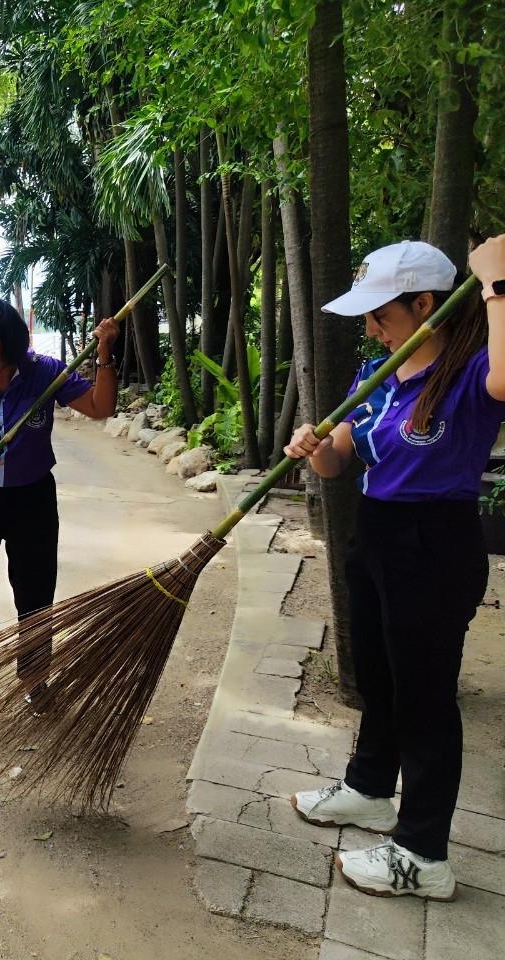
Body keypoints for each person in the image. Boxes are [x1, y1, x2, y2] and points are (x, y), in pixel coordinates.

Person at [285, 237, 505, 901]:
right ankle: (371, 788)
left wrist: (495, 281)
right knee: (379, 678)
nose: (372, 329)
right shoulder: (376, 378)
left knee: (425, 699)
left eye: (383, 316)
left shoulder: (470, 375)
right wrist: (314, 449)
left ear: (425, 305)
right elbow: (339, 460)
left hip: (434, 544)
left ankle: (423, 853)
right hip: (376, 532)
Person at [0, 297, 119, 733]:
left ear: (11, 344)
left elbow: (100, 408)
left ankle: (35, 679)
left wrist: (105, 351)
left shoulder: (45, 374)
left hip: (33, 500)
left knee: (35, 595)